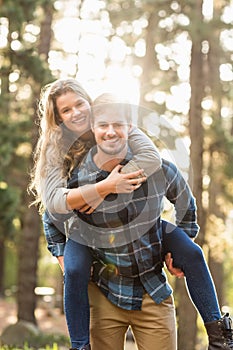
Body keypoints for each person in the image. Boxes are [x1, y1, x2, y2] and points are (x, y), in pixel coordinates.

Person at [29, 80, 232, 350]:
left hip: (149, 268)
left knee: (193, 252)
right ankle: (79, 346)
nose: (76, 112)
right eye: (66, 110)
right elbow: (52, 207)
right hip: (94, 254)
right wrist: (99, 190)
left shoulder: (132, 140)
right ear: (60, 120)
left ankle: (220, 336)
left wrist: (177, 249)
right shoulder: (67, 162)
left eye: (80, 104)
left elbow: (167, 179)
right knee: (75, 270)